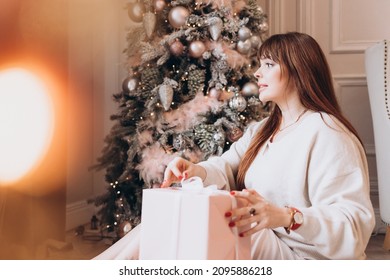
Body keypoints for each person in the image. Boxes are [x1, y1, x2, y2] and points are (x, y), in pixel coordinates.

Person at [94, 32, 375, 260]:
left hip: (304, 259)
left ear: (298, 70)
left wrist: (285, 217)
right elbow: (227, 166)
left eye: (268, 65)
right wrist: (196, 171)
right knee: (182, 219)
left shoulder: (328, 132)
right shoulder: (263, 129)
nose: (256, 73)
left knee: (220, 221)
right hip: (265, 242)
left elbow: (354, 227)